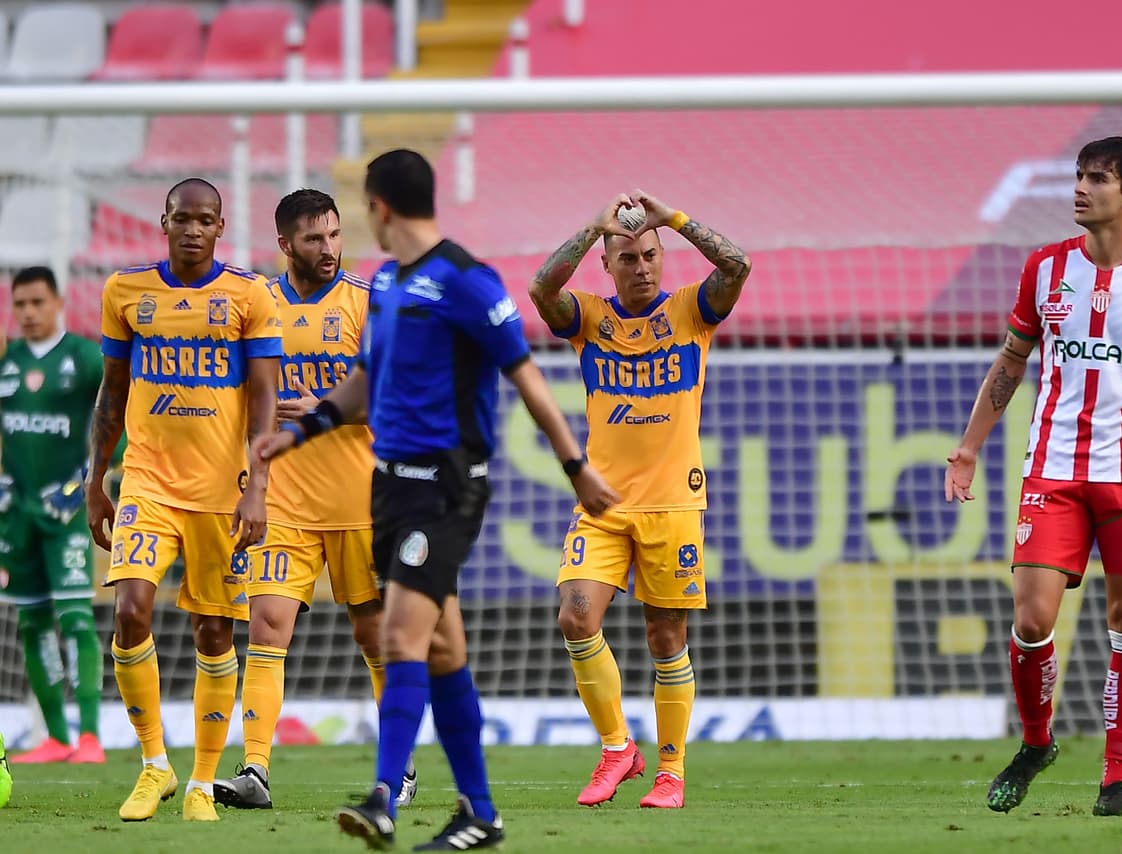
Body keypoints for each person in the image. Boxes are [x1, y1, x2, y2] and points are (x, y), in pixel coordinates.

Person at [253, 148, 617, 851]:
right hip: (389, 486)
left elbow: (528, 380)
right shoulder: (385, 285)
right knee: (445, 649)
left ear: (380, 208)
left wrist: (575, 465)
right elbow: (365, 382)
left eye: (359, 213)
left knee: (398, 637)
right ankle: (480, 813)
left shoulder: (470, 283)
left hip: (445, 487)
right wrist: (302, 433)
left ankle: (385, 796)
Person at [944, 136, 1122, 818]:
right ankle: (1037, 744)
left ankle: (1116, 781)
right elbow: (1011, 363)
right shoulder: (1044, 270)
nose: (1079, 188)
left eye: (1096, 178)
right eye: (1078, 175)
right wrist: (969, 447)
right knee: (1032, 617)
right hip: (1054, 470)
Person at [527, 191, 752, 809]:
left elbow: (737, 266)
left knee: (664, 637)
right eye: (626, 258)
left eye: (650, 255)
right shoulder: (591, 319)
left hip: (675, 502)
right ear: (607, 265)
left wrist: (674, 219)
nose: (642, 267)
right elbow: (541, 289)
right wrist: (589, 226)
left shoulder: (691, 312)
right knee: (575, 617)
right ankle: (618, 748)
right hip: (602, 502)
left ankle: (672, 773)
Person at [85, 178, 282, 822]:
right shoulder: (126, 291)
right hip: (146, 481)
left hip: (221, 492)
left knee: (214, 630)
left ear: (220, 227)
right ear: (162, 221)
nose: (193, 229)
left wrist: (258, 487)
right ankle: (153, 766)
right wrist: (95, 480)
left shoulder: (248, 295)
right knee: (132, 611)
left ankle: (201, 781)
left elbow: (262, 398)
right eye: (182, 218)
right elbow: (112, 393)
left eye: (205, 220)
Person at [214, 189, 415, 810]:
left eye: (333, 235)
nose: (328, 249)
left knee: (375, 637)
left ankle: (399, 771)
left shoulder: (368, 301)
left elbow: (400, 395)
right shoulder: (257, 304)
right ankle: (255, 770)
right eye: (313, 239)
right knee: (267, 627)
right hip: (284, 501)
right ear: (284, 245)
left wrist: (329, 411)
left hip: (362, 498)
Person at [0, 266, 116, 765]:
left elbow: (121, 418)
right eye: (19, 304)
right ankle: (55, 738)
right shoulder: (8, 361)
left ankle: (89, 735)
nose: (27, 313)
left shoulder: (84, 357)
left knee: (74, 616)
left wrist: (87, 481)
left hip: (63, 508)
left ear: (59, 302)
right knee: (32, 622)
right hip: (16, 514)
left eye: (36, 303)